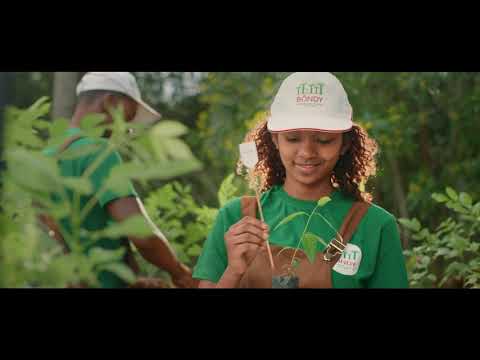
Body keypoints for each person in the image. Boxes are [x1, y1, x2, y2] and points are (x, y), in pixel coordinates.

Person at [193, 72, 409, 288]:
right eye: (293, 139)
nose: (307, 152)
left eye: (323, 140)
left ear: (344, 144)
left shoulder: (374, 226)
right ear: (275, 139)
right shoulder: (237, 218)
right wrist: (234, 271)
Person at [41, 72, 195, 288]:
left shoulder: (45, 156)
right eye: (128, 117)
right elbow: (141, 233)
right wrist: (179, 272)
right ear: (111, 102)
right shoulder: (97, 150)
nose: (129, 130)